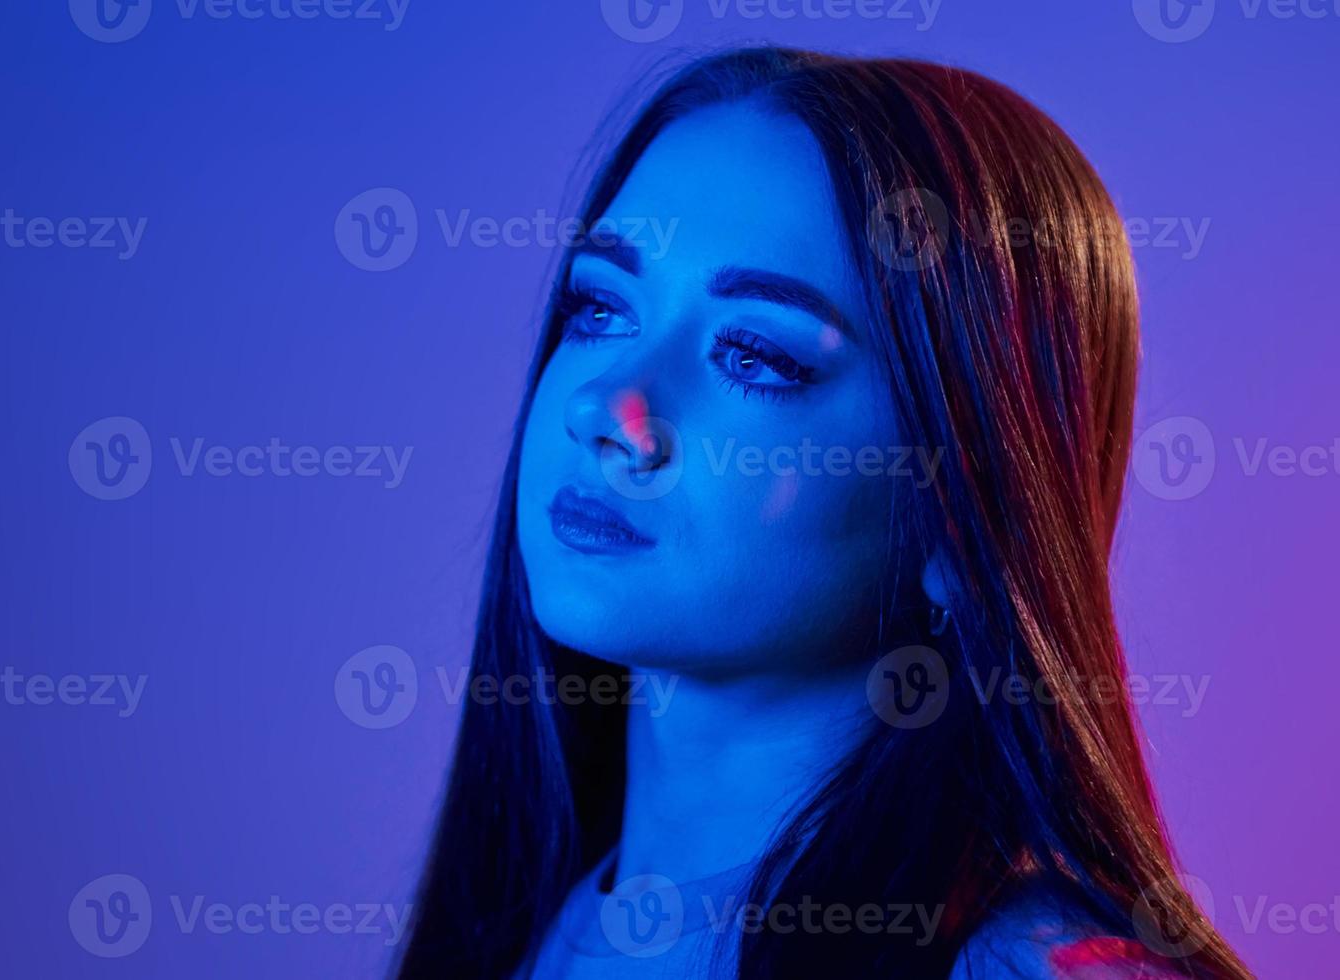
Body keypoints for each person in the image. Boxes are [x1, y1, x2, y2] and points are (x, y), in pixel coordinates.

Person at [395, 47, 1248, 979]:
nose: (607, 408)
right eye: (599, 309)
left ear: (959, 517)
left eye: (757, 355)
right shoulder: (530, 931)